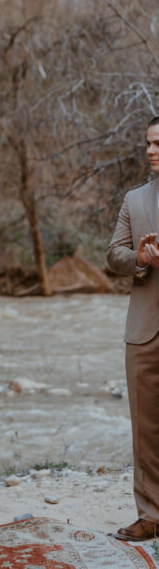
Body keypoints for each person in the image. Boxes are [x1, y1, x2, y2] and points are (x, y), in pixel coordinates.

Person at [106, 115, 159, 542]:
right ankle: (150, 515)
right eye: (148, 143)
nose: (151, 150)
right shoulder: (135, 199)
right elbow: (114, 254)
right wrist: (140, 260)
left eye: (158, 143)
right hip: (144, 330)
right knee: (145, 428)